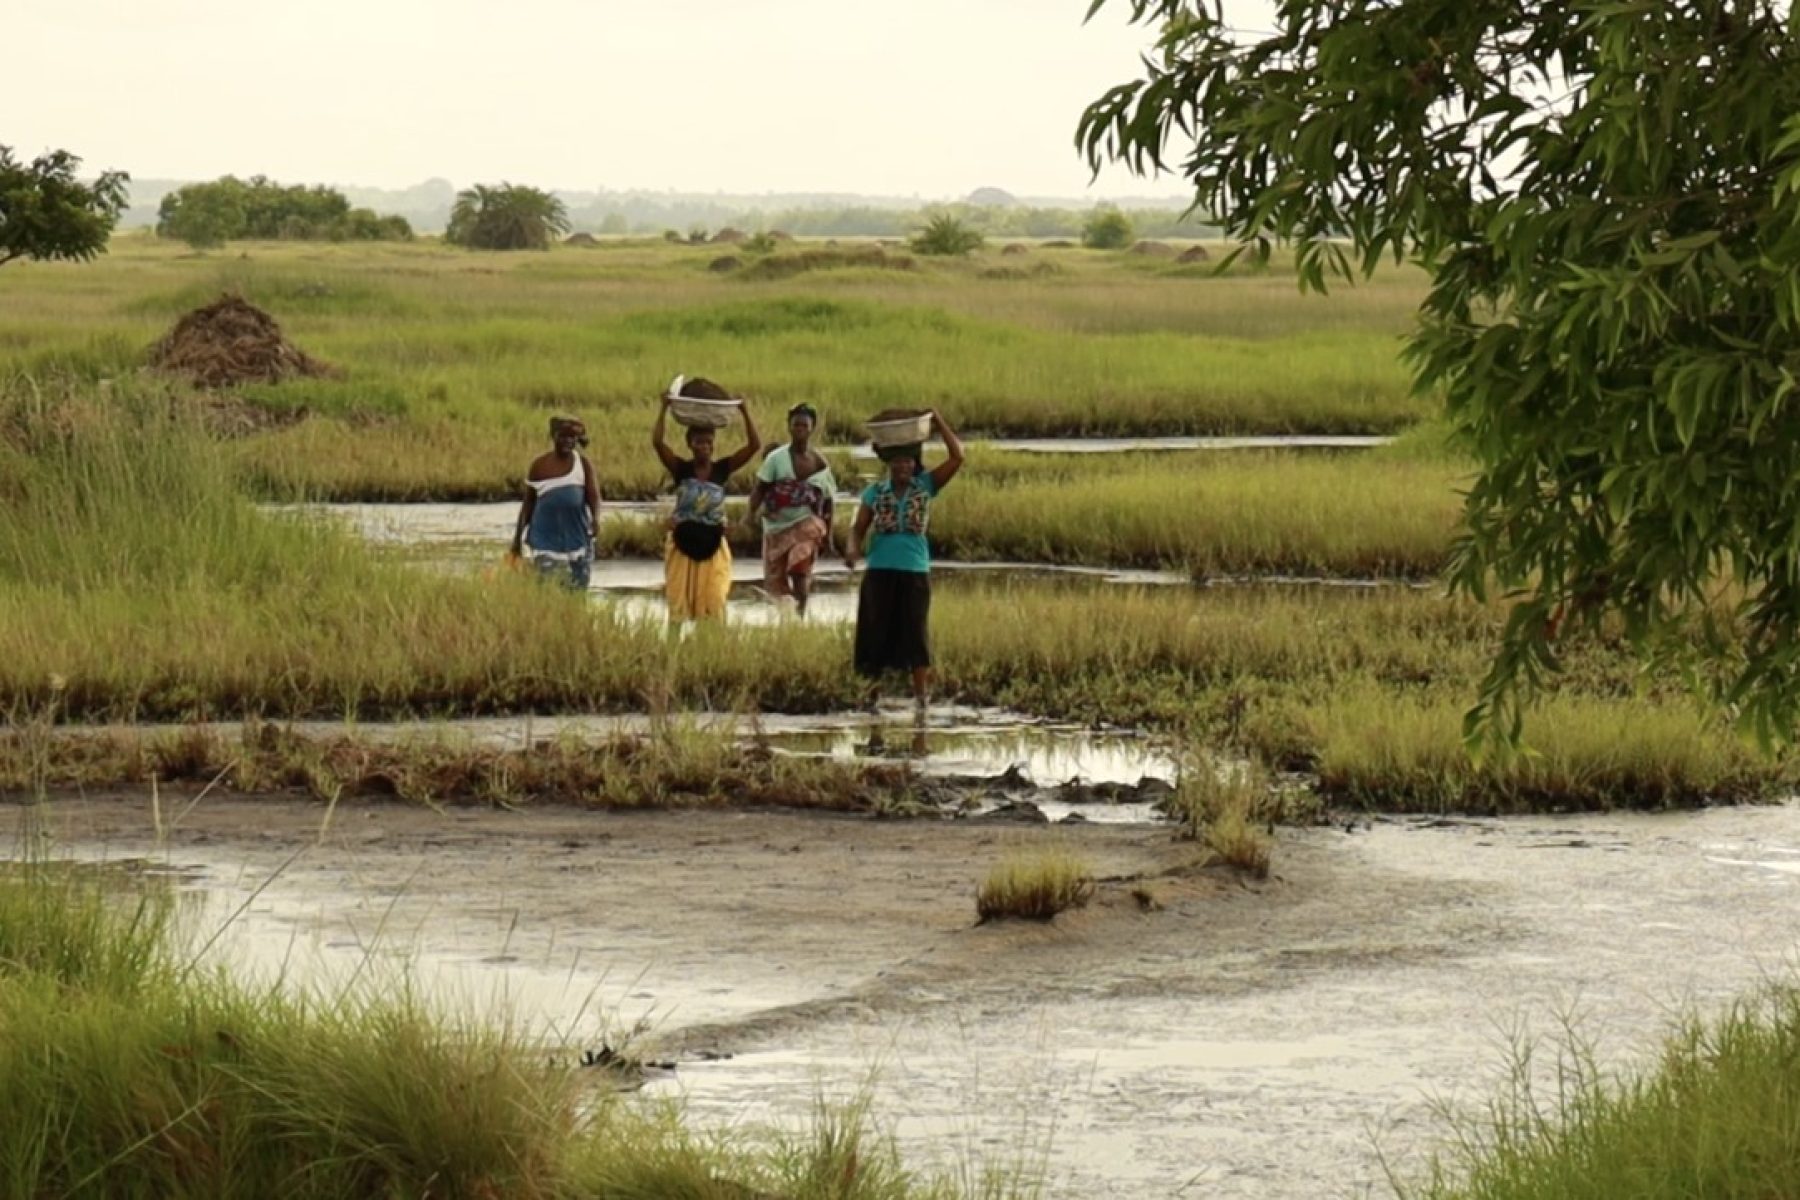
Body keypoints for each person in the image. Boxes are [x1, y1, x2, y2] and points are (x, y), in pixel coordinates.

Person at [845, 410, 964, 714]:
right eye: (897, 462)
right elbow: (858, 528)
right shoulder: (875, 492)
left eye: (908, 462)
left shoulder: (925, 486)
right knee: (875, 634)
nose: (903, 467)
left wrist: (938, 422)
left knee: (916, 634)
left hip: (914, 571)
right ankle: (872, 698)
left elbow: (957, 457)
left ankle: (921, 699)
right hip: (879, 571)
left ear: (915, 464)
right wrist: (852, 549)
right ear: (889, 464)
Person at [652, 375, 761, 622]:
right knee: (677, 604)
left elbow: (755, 445)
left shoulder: (722, 470)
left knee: (713, 601)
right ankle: (673, 656)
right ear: (689, 444)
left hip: (713, 542)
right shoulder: (681, 469)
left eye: (709, 442)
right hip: (682, 542)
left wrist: (744, 410)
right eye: (699, 442)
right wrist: (663, 408)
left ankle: (711, 653)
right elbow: (658, 442)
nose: (705, 447)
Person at [747, 403, 838, 617]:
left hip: (807, 524)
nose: (800, 429)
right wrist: (749, 514)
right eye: (795, 424)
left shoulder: (819, 462)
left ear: (812, 428)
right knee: (776, 582)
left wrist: (830, 535)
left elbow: (828, 501)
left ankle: (801, 615)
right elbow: (760, 488)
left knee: (800, 569)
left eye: (804, 425)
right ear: (789, 427)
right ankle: (788, 622)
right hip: (776, 528)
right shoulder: (775, 459)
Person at [511, 416, 600, 591]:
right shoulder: (539, 466)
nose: (567, 441)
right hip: (544, 540)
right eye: (563, 436)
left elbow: (594, 497)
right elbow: (528, 504)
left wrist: (596, 519)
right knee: (549, 589)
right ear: (553, 436)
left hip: (577, 539)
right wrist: (517, 540)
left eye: (572, 438)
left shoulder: (583, 464)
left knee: (577, 591)